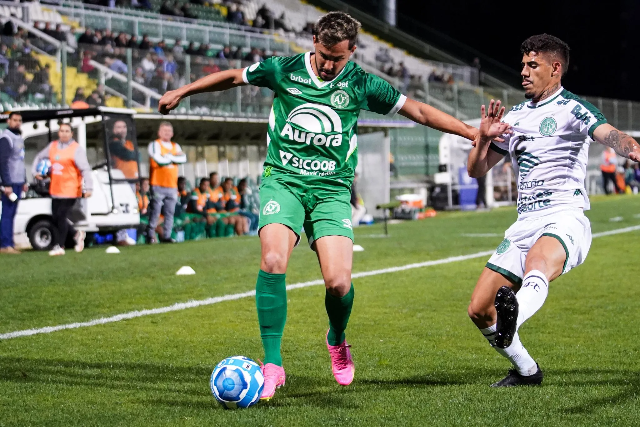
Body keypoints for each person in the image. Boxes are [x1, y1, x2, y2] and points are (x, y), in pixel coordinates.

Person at [158, 11, 501, 400]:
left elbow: (418, 110)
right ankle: (272, 365)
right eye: (322, 54)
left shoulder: (361, 84)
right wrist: (182, 91)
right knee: (273, 261)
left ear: (352, 52)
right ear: (315, 44)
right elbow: (234, 76)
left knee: (338, 283)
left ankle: (337, 339)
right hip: (283, 181)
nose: (326, 64)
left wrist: (471, 131)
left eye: (336, 58)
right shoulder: (284, 69)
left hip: (331, 190)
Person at [466, 34, 640, 387]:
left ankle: (515, 316)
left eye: (533, 65)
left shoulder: (574, 108)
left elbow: (609, 134)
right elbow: (476, 170)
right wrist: (484, 137)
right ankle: (527, 371)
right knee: (480, 309)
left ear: (555, 68)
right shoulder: (514, 116)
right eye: (523, 65)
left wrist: (633, 149)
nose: (524, 73)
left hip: (564, 215)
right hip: (524, 222)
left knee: (537, 265)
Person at [32, 123, 94, 256]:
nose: (64, 133)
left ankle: (59, 246)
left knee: (61, 215)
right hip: (56, 188)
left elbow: (85, 169)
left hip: (71, 189)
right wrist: (35, 172)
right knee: (55, 218)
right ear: (58, 133)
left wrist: (89, 187)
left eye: (67, 131)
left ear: (72, 134)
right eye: (62, 131)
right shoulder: (52, 146)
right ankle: (76, 234)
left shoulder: (76, 149)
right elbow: (39, 157)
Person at [145, 121, 186, 243]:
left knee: (170, 212)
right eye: (164, 131)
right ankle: (150, 235)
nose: (167, 133)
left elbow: (183, 158)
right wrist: (174, 158)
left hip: (172, 185)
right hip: (157, 183)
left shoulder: (176, 146)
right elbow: (158, 160)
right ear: (159, 132)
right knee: (155, 211)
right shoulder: (154, 144)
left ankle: (167, 236)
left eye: (169, 131)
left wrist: (167, 157)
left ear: (172, 133)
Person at [0, 112, 26, 254]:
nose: (17, 122)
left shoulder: (18, 137)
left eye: (19, 120)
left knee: (12, 213)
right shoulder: (6, 138)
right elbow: (3, 162)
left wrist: (24, 180)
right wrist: (6, 183)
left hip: (18, 180)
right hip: (10, 182)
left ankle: (9, 241)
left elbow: (19, 161)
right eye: (14, 120)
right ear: (8, 121)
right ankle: (5, 244)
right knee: (7, 213)